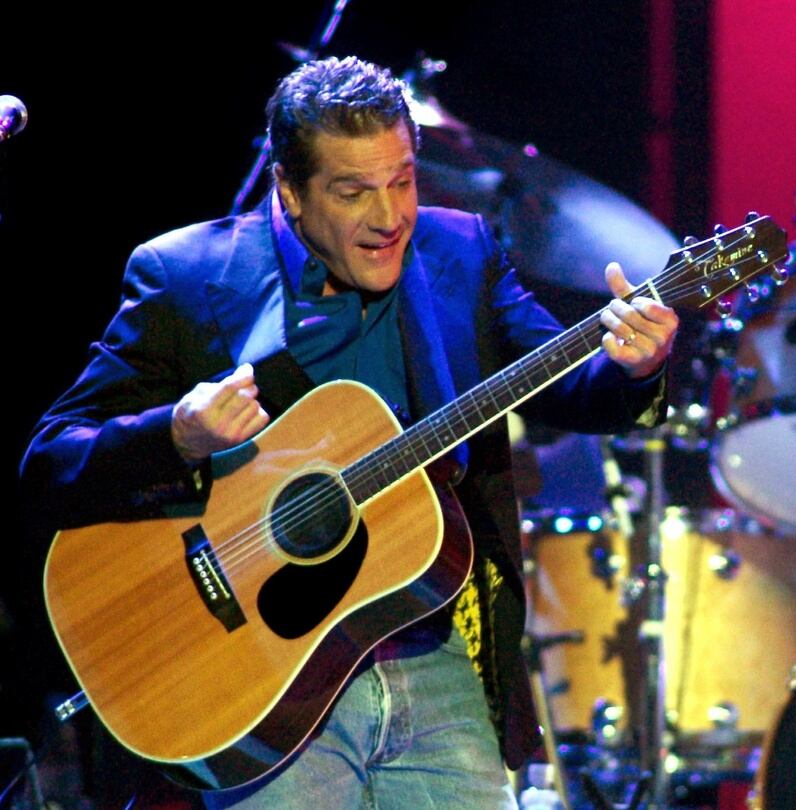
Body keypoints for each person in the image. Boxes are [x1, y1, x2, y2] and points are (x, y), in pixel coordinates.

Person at [19, 56, 678, 807]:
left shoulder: (460, 250)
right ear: (290, 191)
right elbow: (49, 463)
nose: (389, 216)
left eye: (402, 181)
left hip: (431, 651)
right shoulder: (188, 274)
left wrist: (636, 367)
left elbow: (568, 388)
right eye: (353, 191)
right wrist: (177, 434)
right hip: (261, 672)